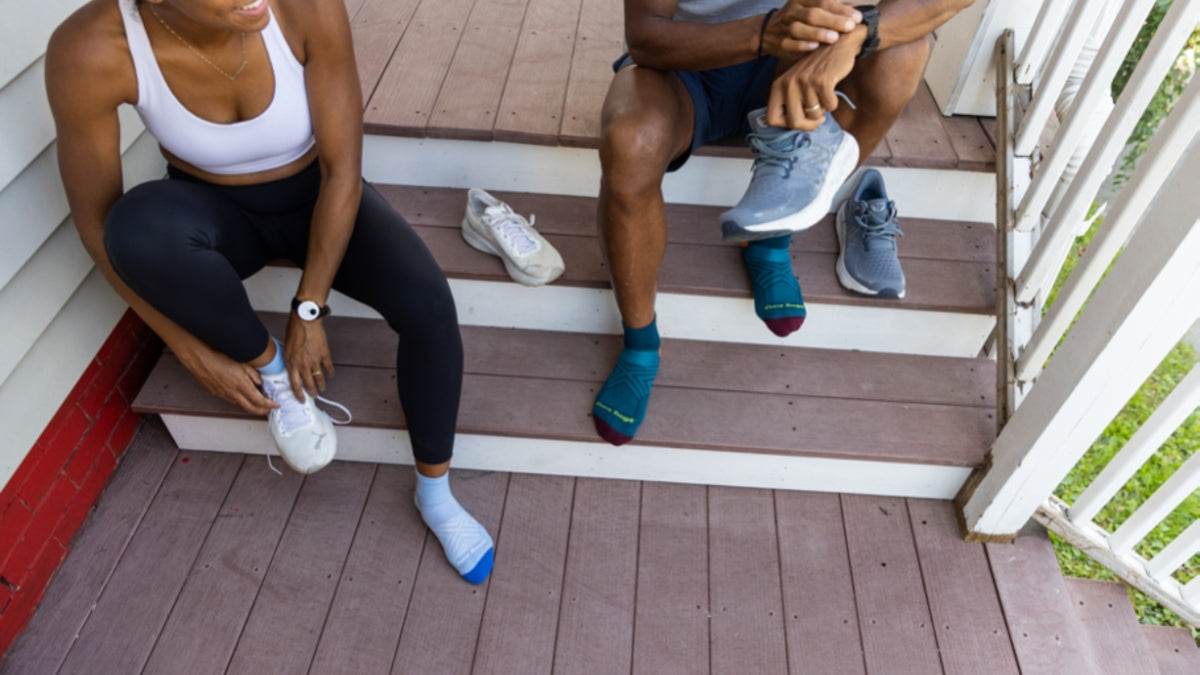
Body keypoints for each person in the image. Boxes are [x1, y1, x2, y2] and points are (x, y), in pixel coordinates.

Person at [46, 0, 494, 583]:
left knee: (431, 307)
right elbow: (95, 222)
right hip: (211, 208)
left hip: (320, 191)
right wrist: (188, 348)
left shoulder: (303, 7)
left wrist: (309, 309)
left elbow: (343, 171)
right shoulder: (92, 48)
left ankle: (436, 497)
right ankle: (274, 373)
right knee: (136, 228)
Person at [591, 0, 975, 445]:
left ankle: (774, 235)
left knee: (902, 54)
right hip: (687, 65)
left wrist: (860, 33)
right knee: (630, 142)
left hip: (806, 63)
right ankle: (640, 347)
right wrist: (764, 33)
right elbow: (645, 36)